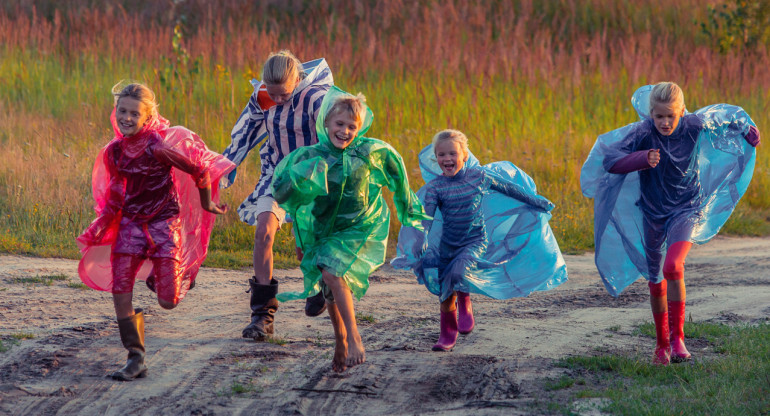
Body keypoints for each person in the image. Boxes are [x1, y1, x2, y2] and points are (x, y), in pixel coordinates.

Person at [581, 82, 760, 365]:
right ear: (651, 114)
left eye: (670, 116)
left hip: (686, 208)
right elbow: (609, 160)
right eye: (659, 116)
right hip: (653, 214)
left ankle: (678, 340)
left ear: (681, 112)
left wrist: (747, 128)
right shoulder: (643, 132)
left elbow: (724, 117)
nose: (665, 123)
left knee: (673, 266)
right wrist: (641, 158)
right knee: (655, 279)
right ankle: (661, 344)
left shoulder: (692, 125)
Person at [77, 82, 234, 380]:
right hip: (130, 227)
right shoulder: (114, 153)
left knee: (168, 301)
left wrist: (208, 205)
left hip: (164, 225)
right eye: (122, 111)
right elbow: (115, 195)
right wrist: (101, 226)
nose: (126, 117)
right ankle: (136, 358)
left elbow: (200, 170)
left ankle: (176, 273)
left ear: (147, 117)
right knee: (120, 289)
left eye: (134, 113)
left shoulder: (158, 148)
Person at [271, 87, 430, 372]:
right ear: (326, 124)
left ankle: (355, 337)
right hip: (323, 231)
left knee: (332, 273)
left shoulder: (369, 152)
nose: (345, 131)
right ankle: (340, 338)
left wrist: (406, 207)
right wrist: (300, 178)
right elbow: (286, 198)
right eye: (339, 124)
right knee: (330, 287)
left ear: (360, 127)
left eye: (352, 126)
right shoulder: (311, 156)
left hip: (359, 227)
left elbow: (397, 170)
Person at [391, 130, 568, 351]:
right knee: (446, 289)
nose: (447, 159)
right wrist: (421, 238)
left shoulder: (479, 177)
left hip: (474, 240)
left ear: (465, 155)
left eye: (452, 153)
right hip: (449, 244)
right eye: (441, 155)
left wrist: (536, 201)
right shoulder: (436, 188)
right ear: (436, 158)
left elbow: (510, 189)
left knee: (457, 273)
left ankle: (450, 332)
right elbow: (426, 216)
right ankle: (452, 319)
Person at [221, 50, 334, 340]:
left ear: (298, 78)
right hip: (277, 173)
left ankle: (318, 283)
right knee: (264, 231)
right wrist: (222, 168)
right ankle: (262, 315)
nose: (278, 100)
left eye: (283, 94)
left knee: (306, 241)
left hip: (312, 174)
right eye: (273, 94)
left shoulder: (317, 98)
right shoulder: (263, 96)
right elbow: (244, 134)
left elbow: (336, 137)